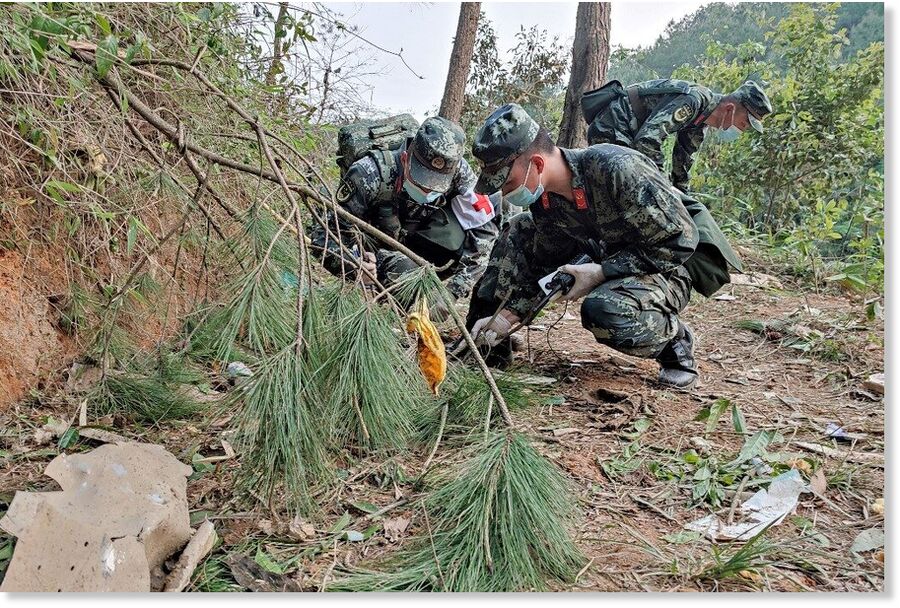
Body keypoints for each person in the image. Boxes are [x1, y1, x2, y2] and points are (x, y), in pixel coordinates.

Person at [466, 104, 740, 389]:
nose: (506, 192)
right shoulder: (545, 203)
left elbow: (680, 242)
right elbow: (545, 264)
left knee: (604, 310)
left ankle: (675, 343)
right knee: (519, 227)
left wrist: (602, 272)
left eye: (507, 182)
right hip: (607, 258)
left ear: (536, 164)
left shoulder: (616, 168)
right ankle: (485, 343)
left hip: (668, 267)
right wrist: (507, 316)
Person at [311, 117, 500, 318]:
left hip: (420, 240)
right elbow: (322, 238)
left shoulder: (460, 173)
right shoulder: (368, 174)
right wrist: (354, 265)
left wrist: (452, 293)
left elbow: (485, 235)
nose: (427, 190)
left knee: (497, 207)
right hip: (375, 249)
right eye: (421, 182)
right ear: (404, 159)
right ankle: (382, 314)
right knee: (406, 269)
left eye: (436, 186)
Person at [581, 79, 772, 192]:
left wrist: (683, 199)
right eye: (743, 123)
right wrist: (662, 186)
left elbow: (682, 164)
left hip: (628, 135)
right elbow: (647, 141)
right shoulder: (694, 100)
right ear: (730, 108)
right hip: (613, 127)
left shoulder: (700, 123)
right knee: (621, 191)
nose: (742, 129)